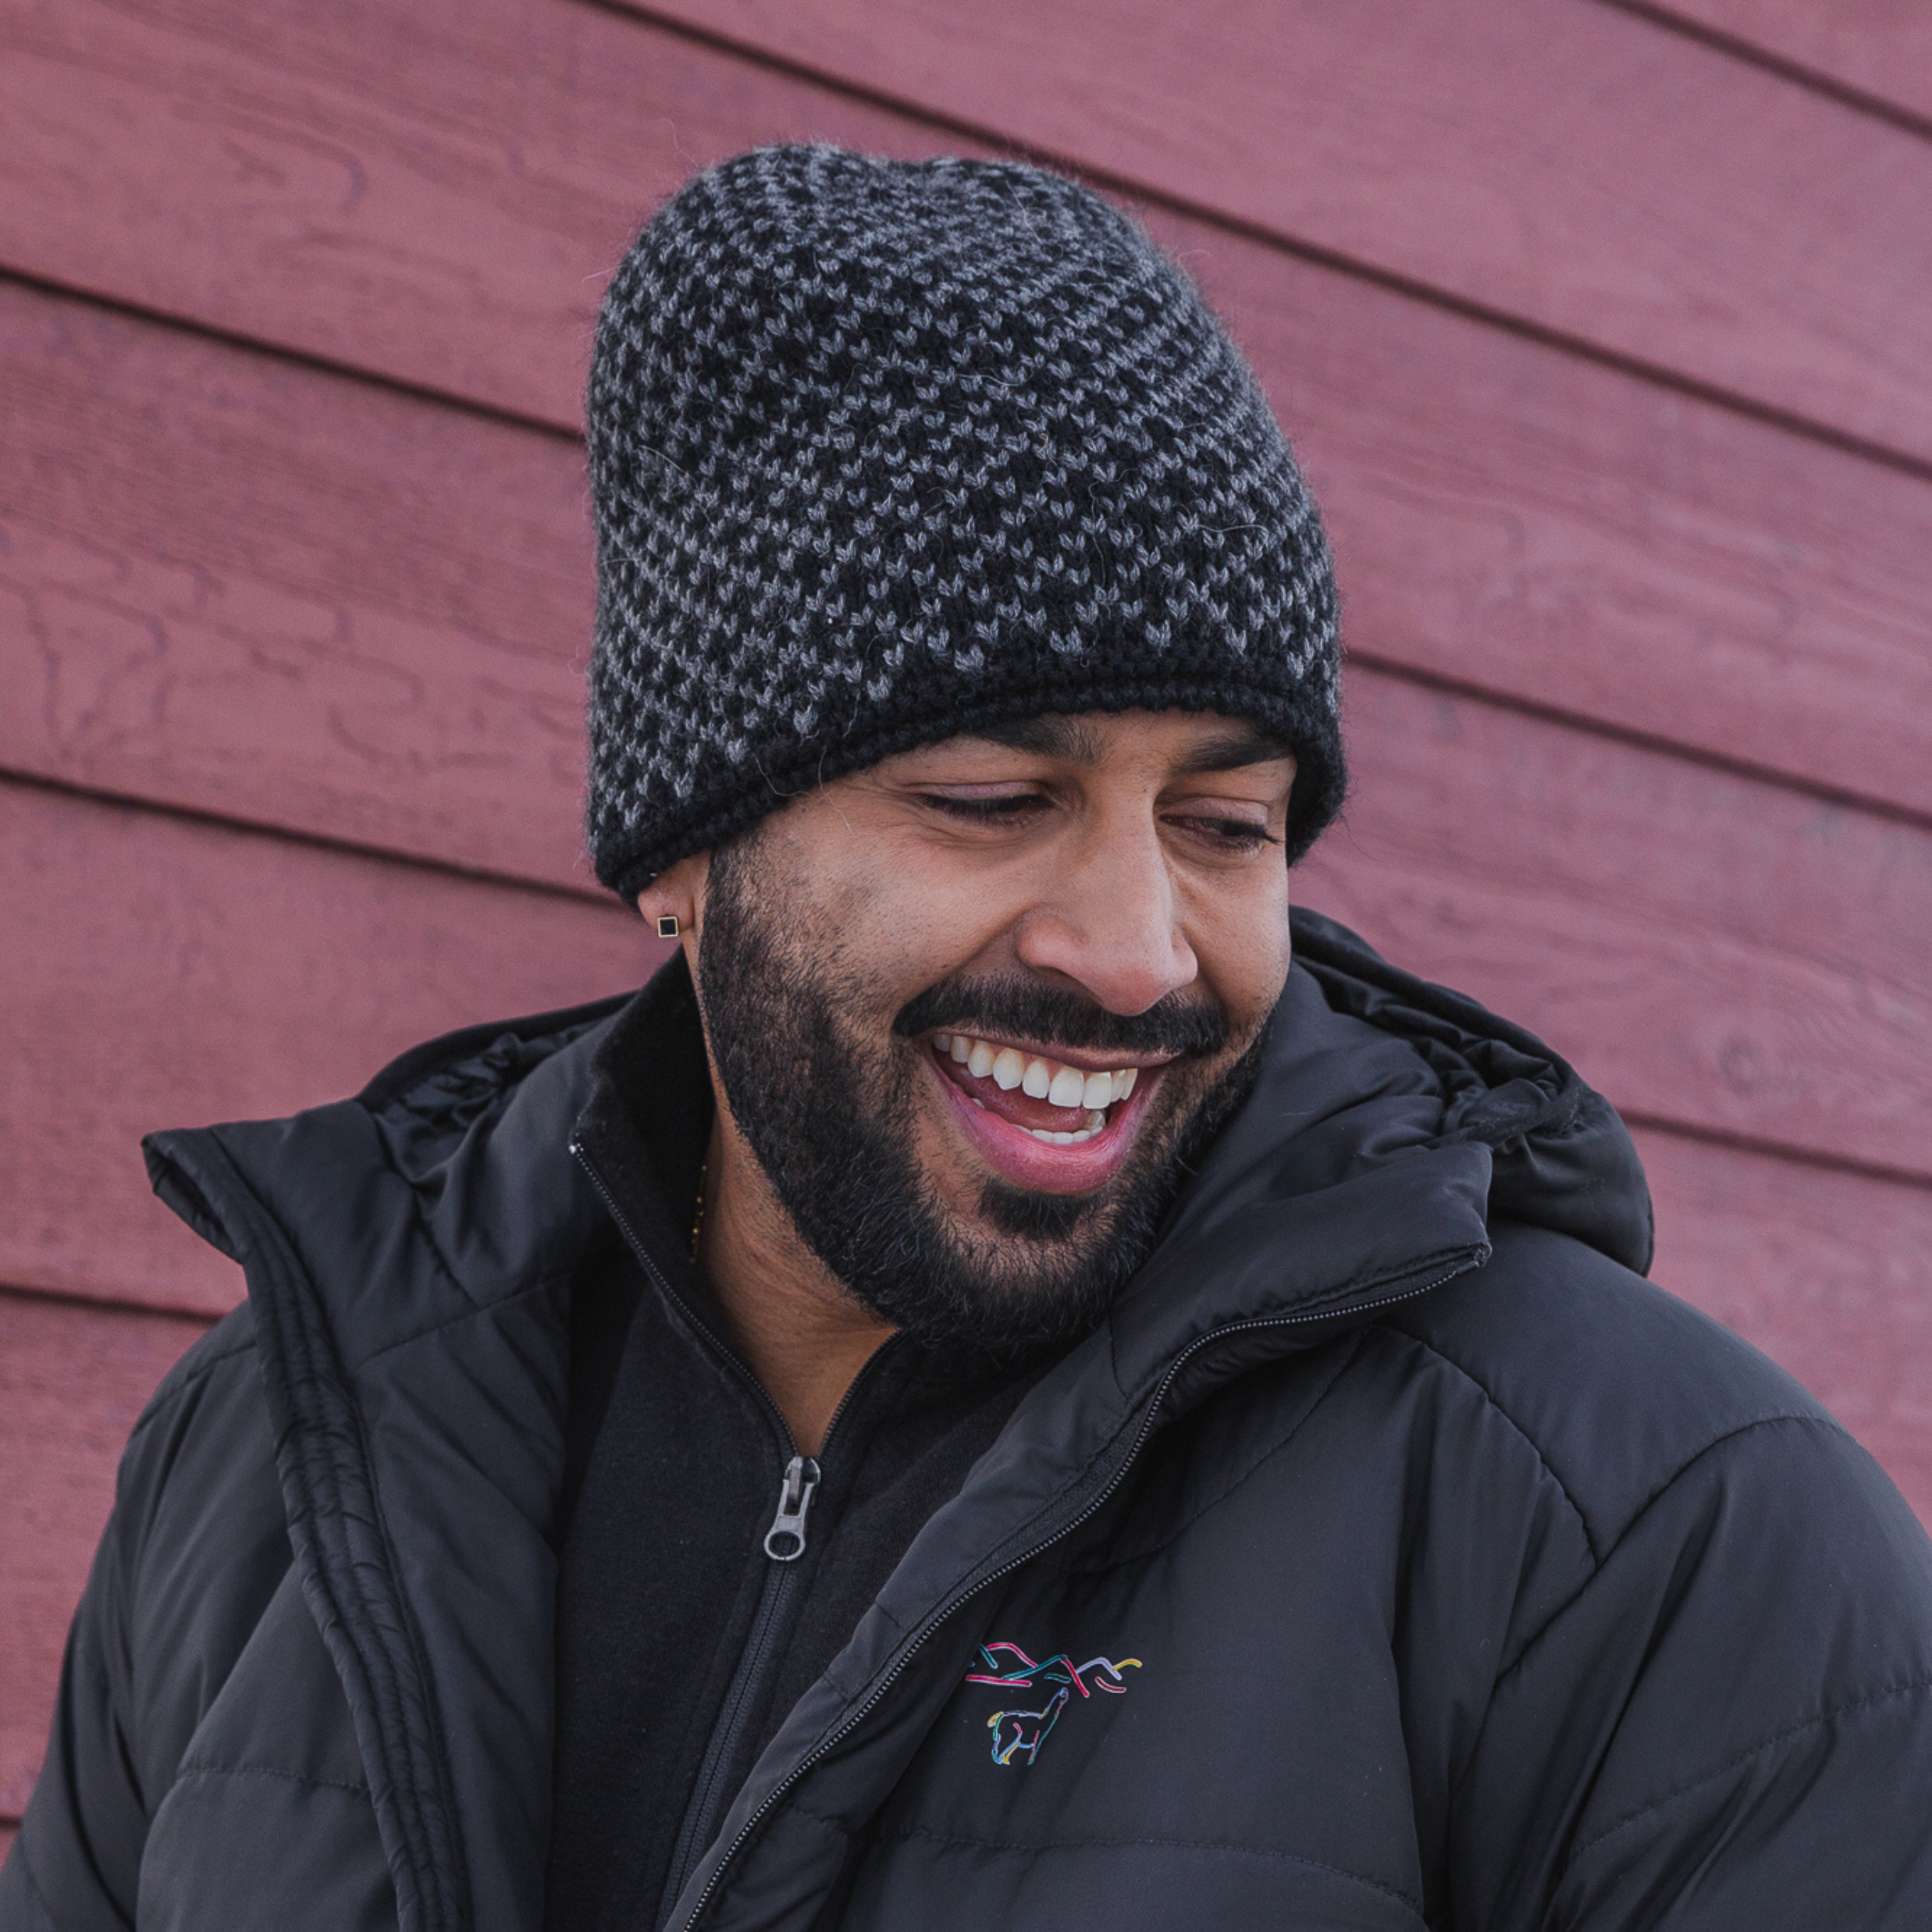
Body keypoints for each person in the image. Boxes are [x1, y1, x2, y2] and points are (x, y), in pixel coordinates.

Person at [5, 146, 1929, 1932]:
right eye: (995, 799)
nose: (1131, 950)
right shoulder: (273, 1460)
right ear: (687, 852)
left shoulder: (1654, 1534)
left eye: (1226, 821)